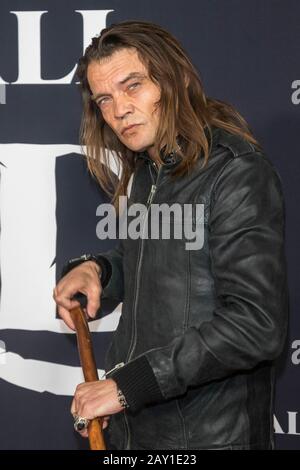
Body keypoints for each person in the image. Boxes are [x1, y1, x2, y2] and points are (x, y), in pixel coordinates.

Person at [53, 21, 288, 450]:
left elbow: (257, 324)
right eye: (105, 98)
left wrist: (127, 386)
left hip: (210, 438)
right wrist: (99, 271)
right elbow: (151, 262)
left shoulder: (236, 172)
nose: (119, 109)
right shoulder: (148, 167)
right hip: (136, 430)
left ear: (174, 79)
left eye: (133, 86)